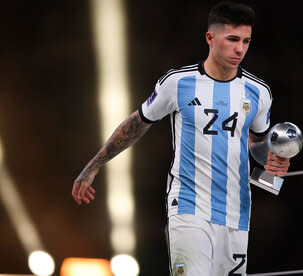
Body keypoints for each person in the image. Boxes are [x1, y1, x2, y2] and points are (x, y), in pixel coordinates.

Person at [72, 2, 290, 275]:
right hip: (188, 208)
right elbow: (137, 123)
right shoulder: (178, 83)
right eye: (233, 39)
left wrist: (273, 164)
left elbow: (255, 143)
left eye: (246, 41)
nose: (240, 49)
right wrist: (93, 165)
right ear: (210, 38)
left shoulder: (259, 92)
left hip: (237, 215)